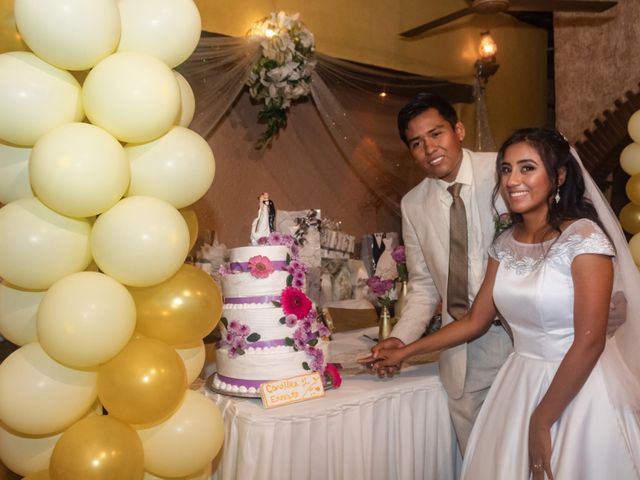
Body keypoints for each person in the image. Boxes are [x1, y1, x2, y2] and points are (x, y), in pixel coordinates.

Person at [364, 128, 640, 479]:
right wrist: (405, 351)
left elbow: (590, 341)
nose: (512, 180)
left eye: (527, 168)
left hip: (578, 388)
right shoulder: (507, 241)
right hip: (518, 382)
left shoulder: (584, 240)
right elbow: (476, 320)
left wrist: (541, 420)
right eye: (506, 169)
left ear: (558, 176)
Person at [368, 93, 513, 453]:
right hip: (461, 354)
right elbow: (423, 287)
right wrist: (400, 339)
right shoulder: (413, 203)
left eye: (437, 134)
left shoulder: (503, 172)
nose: (429, 148)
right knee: (481, 463)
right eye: (417, 143)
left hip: (518, 342)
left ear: (458, 130)